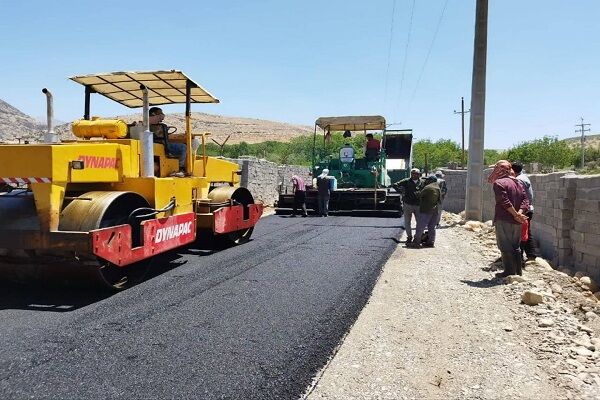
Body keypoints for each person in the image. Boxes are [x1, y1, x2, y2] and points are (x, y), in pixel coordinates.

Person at [489, 160, 529, 277]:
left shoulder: (499, 183)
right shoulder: (518, 183)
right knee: (515, 245)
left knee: (504, 245)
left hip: (504, 218)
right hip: (517, 220)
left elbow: (503, 201)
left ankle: (509, 272)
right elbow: (525, 200)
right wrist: (520, 214)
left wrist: (515, 214)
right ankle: (518, 272)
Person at [149, 107, 187, 173]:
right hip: (161, 145)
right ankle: (181, 168)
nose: (162, 114)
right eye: (160, 113)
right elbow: (160, 135)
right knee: (183, 147)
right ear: (153, 113)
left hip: (153, 144)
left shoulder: (147, 123)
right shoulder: (156, 124)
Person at [512, 162, 537, 261]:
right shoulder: (523, 177)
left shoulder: (519, 180)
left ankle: (519, 258)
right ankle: (531, 255)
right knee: (526, 233)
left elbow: (520, 197)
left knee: (520, 234)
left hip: (523, 210)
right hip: (527, 209)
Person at [410, 175, 441, 248]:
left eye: (428, 180)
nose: (426, 181)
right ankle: (431, 242)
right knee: (432, 227)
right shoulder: (437, 187)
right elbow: (440, 200)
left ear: (430, 181)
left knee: (420, 226)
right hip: (435, 210)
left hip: (426, 210)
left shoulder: (427, 187)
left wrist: (417, 192)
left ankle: (416, 242)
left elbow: (419, 195)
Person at [393, 168, 423, 243]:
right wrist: (401, 192)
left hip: (418, 204)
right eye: (413, 173)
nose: (414, 175)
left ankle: (417, 237)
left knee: (419, 222)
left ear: (419, 174)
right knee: (407, 222)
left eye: (416, 174)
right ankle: (409, 237)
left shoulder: (422, 182)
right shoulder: (406, 181)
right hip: (408, 204)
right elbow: (395, 185)